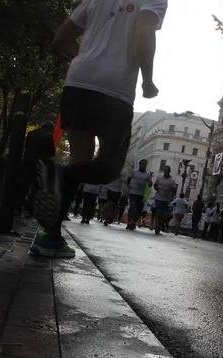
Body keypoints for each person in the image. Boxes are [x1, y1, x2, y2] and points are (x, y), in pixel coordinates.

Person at [30, 0, 168, 257]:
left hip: (78, 82)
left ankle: (50, 237)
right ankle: (57, 174)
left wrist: (87, 59)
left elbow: (61, 38)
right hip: (114, 90)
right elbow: (144, 31)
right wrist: (147, 79)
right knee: (108, 168)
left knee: (79, 159)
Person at [126, 159, 153, 230]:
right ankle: (129, 222)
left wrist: (150, 184)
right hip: (133, 192)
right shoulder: (135, 171)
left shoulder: (148, 174)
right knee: (132, 207)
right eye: (143, 163)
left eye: (145, 164)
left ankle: (133, 222)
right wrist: (128, 184)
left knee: (138, 210)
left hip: (141, 194)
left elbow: (150, 183)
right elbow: (129, 178)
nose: (144, 165)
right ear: (140, 164)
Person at [153, 165, 177, 235]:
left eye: (167, 170)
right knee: (158, 211)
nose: (166, 171)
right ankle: (157, 225)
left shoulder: (172, 180)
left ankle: (160, 223)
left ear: (169, 171)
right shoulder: (159, 178)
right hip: (159, 197)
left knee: (164, 214)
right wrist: (157, 188)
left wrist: (172, 194)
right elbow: (155, 185)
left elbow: (174, 189)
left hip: (166, 199)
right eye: (165, 170)